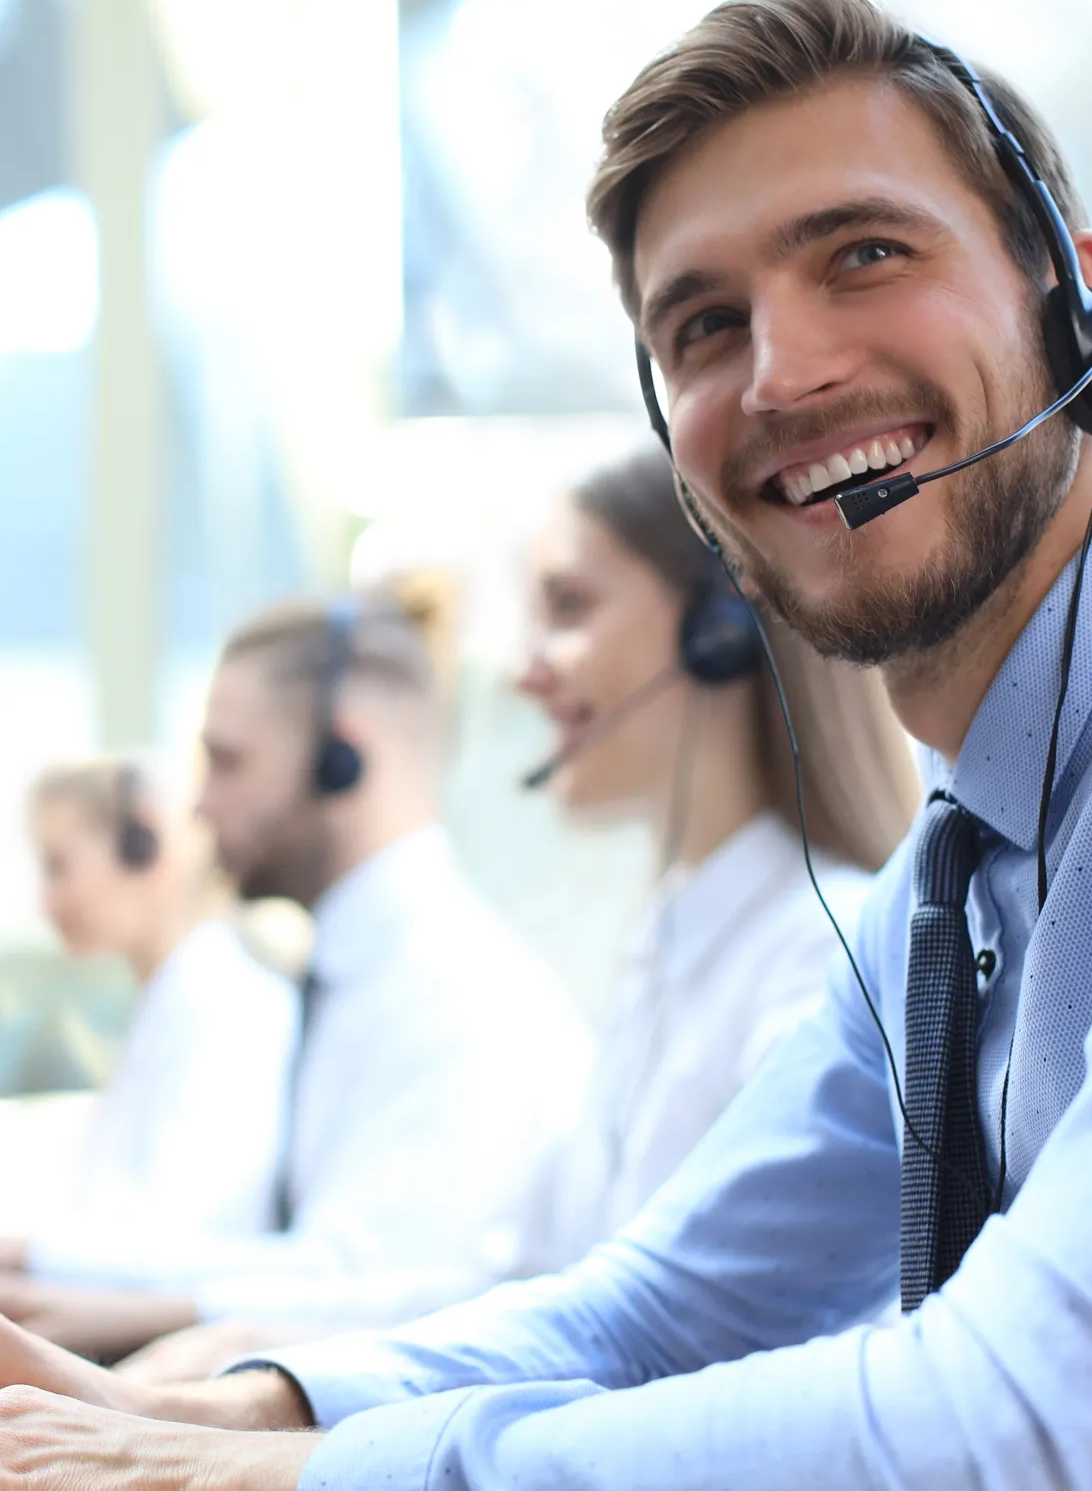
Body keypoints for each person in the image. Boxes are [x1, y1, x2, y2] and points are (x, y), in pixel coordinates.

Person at [2, 0, 1092, 1490]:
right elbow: (662, 1309)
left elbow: (1041, 1421)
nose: (787, 372)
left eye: (864, 255)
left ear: (1079, 300)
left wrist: (322, 1472)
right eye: (701, 326)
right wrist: (203, 1414)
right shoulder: (957, 873)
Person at [116, 447, 918, 1382]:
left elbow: (675, 1349)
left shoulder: (818, 959)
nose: (526, 670)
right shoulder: (668, 949)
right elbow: (526, 1279)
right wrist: (255, 1351)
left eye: (568, 608)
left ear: (720, 627)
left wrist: (266, 1393)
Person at [0, 586, 592, 1362]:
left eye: (228, 760)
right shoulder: (349, 974)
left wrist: (50, 1269)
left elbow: (372, 1285)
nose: (200, 806)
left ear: (340, 761)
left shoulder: (460, 1001)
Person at [0, 758, 298, 1320]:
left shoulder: (227, 1002)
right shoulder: (173, 996)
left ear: (146, 848)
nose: (47, 902)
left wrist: (26, 1253)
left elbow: (189, 1237)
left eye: (59, 867)